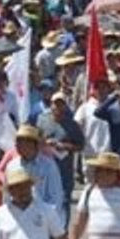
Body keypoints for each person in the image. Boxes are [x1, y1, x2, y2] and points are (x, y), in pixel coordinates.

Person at [35, 91, 84, 227]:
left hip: (64, 168)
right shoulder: (42, 120)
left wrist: (63, 146)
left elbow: (80, 145)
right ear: (51, 105)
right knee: (45, 197)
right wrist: (44, 143)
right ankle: (47, 228)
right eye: (55, 104)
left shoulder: (72, 124)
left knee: (64, 199)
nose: (58, 107)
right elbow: (36, 139)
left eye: (61, 104)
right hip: (45, 166)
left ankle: (63, 229)